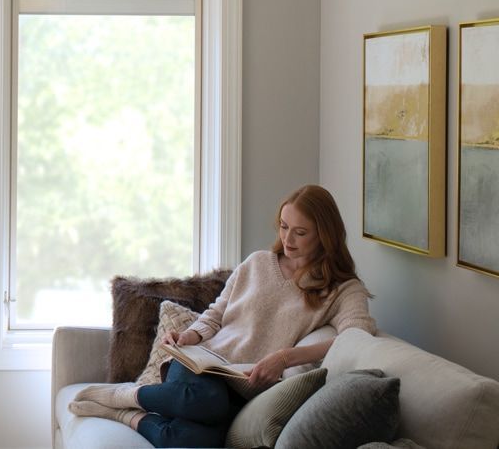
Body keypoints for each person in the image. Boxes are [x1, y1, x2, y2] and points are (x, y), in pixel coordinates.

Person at [68, 184, 377, 448]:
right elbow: (216, 313)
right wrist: (190, 336)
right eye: (283, 227)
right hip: (201, 364)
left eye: (300, 232)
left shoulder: (342, 289)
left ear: (325, 235)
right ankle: (125, 396)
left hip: (244, 385)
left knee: (193, 441)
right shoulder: (258, 263)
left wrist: (285, 358)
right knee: (207, 401)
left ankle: (126, 415)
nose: (288, 240)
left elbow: (356, 337)